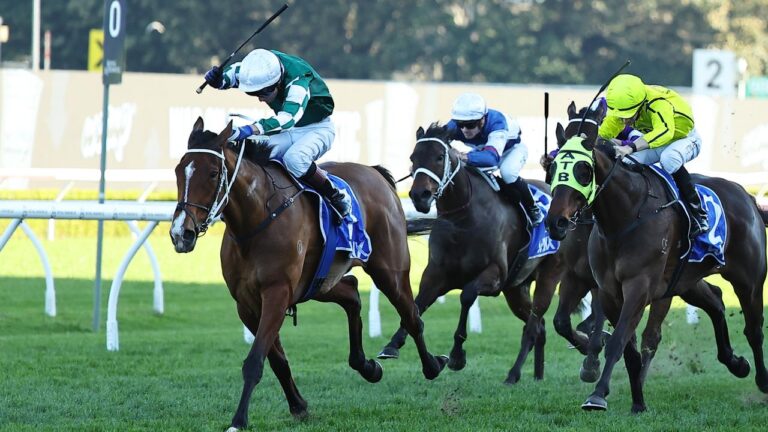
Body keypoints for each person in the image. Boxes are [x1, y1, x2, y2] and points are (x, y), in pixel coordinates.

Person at [203, 48, 351, 221]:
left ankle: (335, 195)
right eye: (253, 93)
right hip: (290, 131)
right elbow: (233, 75)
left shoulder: (298, 82)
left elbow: (287, 119)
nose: (259, 98)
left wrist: (249, 130)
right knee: (254, 156)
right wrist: (218, 80)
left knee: (294, 159)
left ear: (278, 83)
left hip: (318, 129)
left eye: (263, 93)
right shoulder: (260, 64)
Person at [598, 74, 709, 237]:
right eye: (620, 115)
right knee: (626, 162)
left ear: (639, 103)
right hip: (655, 140)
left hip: (684, 138)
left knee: (669, 159)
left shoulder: (658, 103)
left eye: (627, 115)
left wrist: (630, 147)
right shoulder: (622, 109)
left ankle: (698, 214)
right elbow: (603, 135)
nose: (623, 120)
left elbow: (664, 132)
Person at [447, 93, 543, 226]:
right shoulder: (455, 125)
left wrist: (464, 156)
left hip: (511, 150)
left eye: (470, 125)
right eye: (460, 125)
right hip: (484, 149)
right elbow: (436, 142)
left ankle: (533, 208)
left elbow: (491, 159)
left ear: (482, 120)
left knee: (507, 172)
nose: (464, 130)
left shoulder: (497, 121)